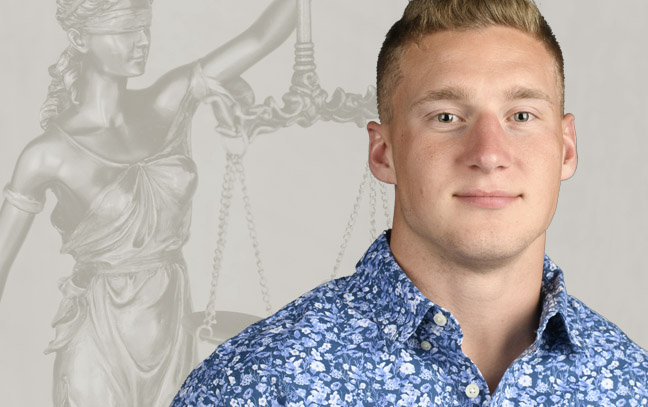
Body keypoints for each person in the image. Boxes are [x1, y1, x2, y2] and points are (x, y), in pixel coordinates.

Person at [172, 0, 648, 405]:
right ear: (384, 153)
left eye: (521, 115)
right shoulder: (255, 386)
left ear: (566, 148)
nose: (488, 153)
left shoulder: (632, 386)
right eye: (446, 116)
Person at [0, 0, 296, 405]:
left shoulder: (168, 102)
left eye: (144, 28)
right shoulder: (47, 154)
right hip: (98, 341)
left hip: (171, 331)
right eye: (124, 30)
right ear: (78, 37)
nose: (141, 42)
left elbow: (262, 37)